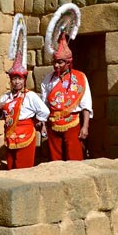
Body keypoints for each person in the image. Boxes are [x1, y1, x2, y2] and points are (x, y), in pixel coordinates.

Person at [40, 27, 92, 161]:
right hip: (53, 124)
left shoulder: (80, 78)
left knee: (74, 158)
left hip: (72, 124)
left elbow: (86, 104)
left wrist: (85, 127)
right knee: (55, 160)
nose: (56, 65)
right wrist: (44, 126)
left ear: (68, 62)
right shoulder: (47, 80)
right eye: (55, 62)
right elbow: (44, 106)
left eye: (60, 62)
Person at [0, 61, 49, 169]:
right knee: (11, 165)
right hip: (10, 134)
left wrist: (37, 122)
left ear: (24, 80)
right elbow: (1, 116)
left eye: (19, 79)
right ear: (10, 81)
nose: (17, 82)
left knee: (23, 166)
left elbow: (44, 110)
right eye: (14, 79)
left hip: (25, 133)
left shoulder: (30, 96)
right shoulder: (5, 97)